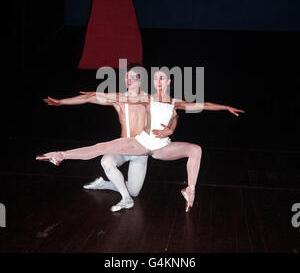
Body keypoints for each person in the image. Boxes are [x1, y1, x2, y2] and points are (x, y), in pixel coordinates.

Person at [37, 69, 245, 212]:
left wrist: (225, 107)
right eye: (156, 79)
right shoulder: (147, 98)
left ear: (170, 81)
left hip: (160, 148)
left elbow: (205, 105)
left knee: (196, 150)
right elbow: (102, 97)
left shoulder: (176, 104)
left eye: (162, 78)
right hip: (141, 143)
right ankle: (60, 155)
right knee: (102, 149)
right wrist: (70, 99)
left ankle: (190, 190)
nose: (159, 81)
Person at [42, 63, 179, 212]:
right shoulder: (118, 99)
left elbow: (173, 112)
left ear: (141, 80)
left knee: (134, 191)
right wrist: (61, 102)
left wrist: (170, 130)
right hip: (123, 146)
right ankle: (126, 199)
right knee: (106, 161)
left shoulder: (151, 100)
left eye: (133, 77)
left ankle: (104, 184)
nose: (129, 80)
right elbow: (88, 98)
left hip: (141, 150)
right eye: (127, 77)